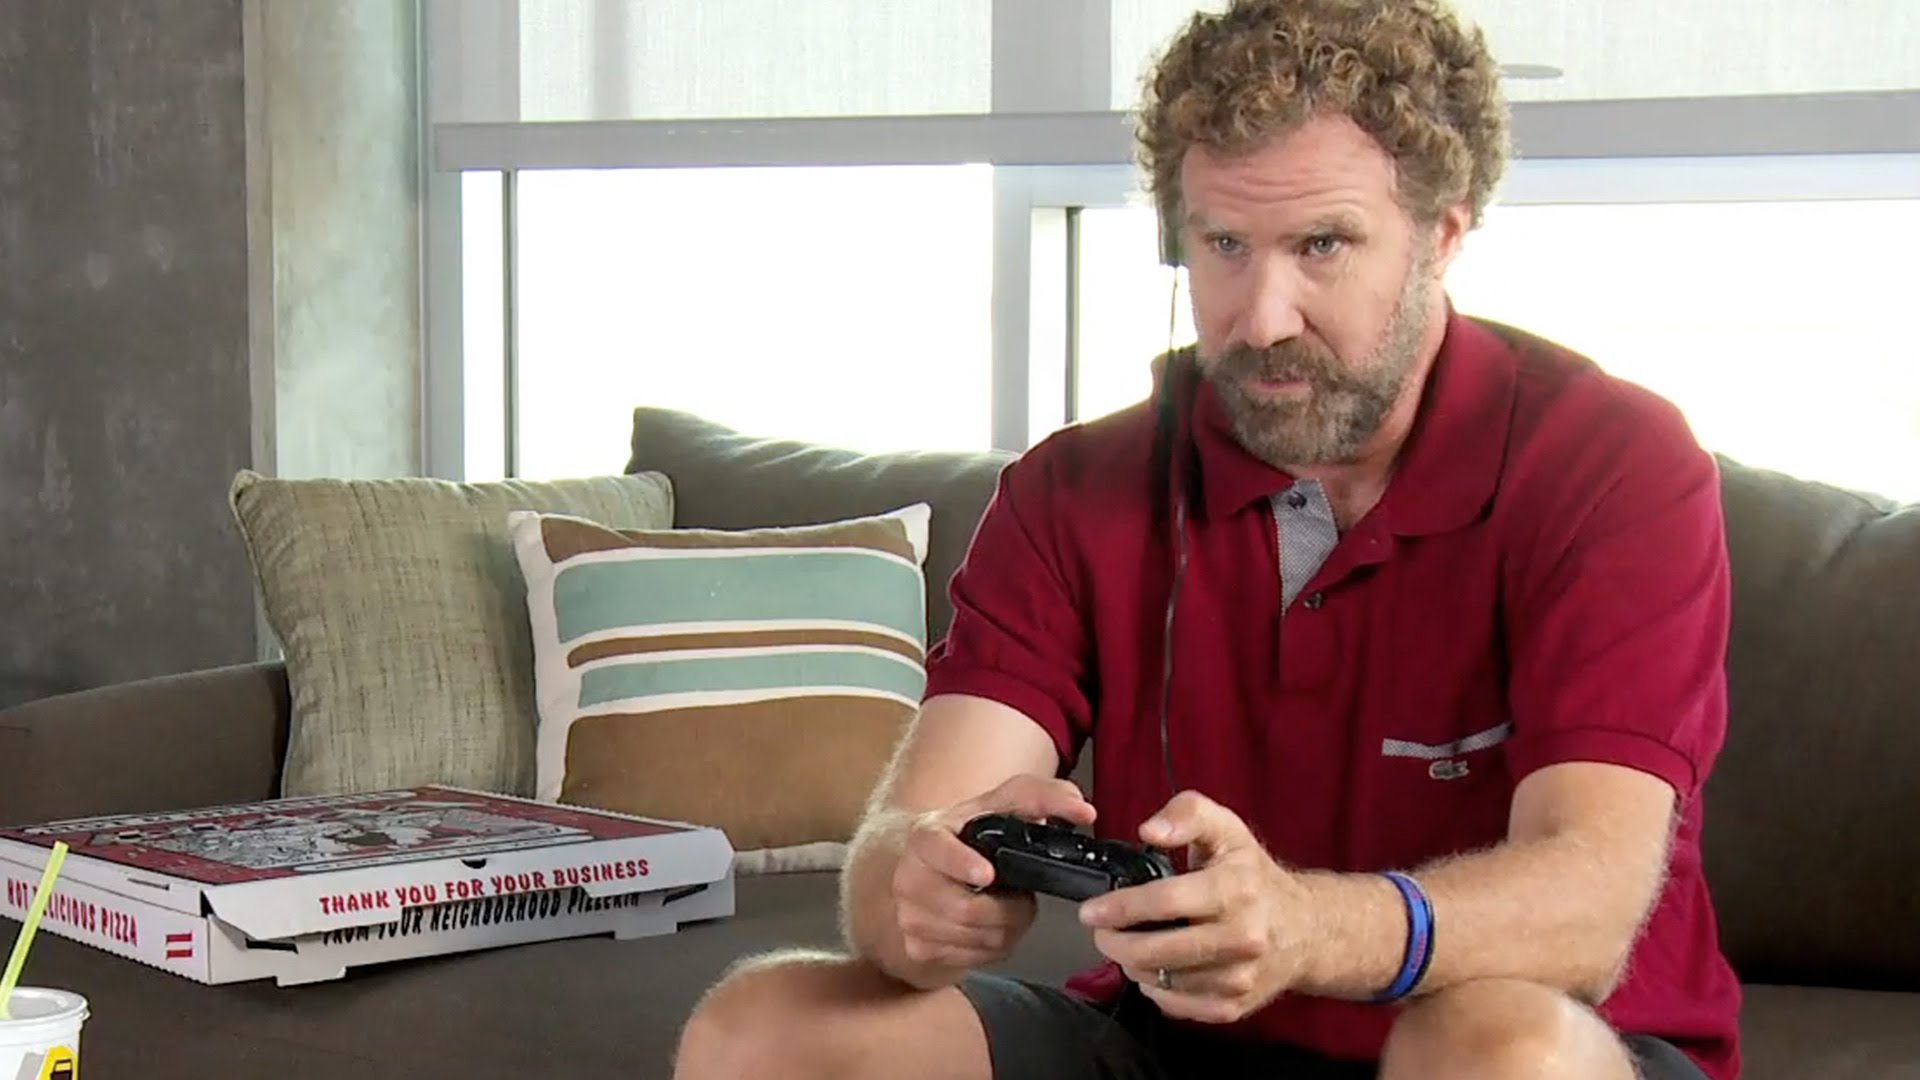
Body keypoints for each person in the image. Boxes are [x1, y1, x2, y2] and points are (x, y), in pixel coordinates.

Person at [671, 0, 1743, 1077]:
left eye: (1322, 245)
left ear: (1442, 236)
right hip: (1180, 1041)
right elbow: (907, 836)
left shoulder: (1613, 465)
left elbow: (1589, 903)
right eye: (1224, 245)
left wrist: (1304, 929)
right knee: (766, 1031)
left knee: (1497, 1049)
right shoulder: (1074, 488)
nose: (1262, 318)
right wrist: (913, 891)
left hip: (1534, 1038)